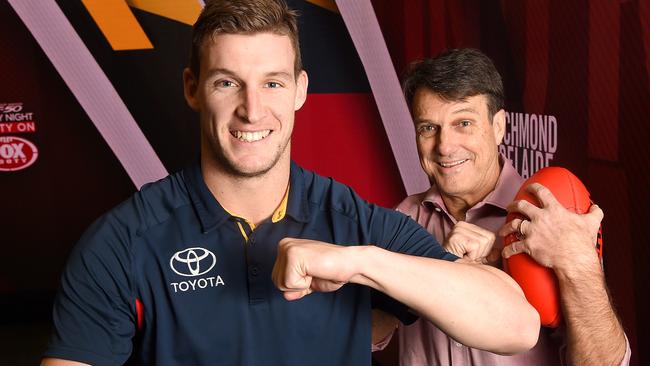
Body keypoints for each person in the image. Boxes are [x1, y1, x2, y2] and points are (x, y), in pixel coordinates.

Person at [40, 3, 539, 366]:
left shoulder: (353, 223)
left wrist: (356, 262)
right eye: (227, 82)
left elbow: (515, 326)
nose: (252, 110)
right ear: (192, 88)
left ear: (300, 91)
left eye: (273, 83)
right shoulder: (123, 242)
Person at [372, 48, 630, 365]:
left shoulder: (551, 219)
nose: (445, 146)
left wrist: (577, 264)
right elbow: (365, 335)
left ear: (498, 127)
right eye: (428, 128)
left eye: (463, 123)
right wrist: (434, 266)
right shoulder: (402, 219)